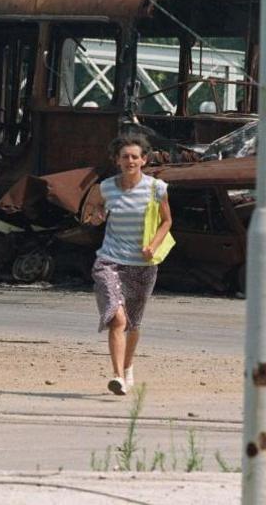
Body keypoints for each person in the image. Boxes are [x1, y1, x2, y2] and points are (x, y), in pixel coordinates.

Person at [91, 134, 173, 395]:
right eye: (125, 156)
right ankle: (117, 376)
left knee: (133, 323)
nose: (130, 161)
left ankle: (128, 367)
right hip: (109, 260)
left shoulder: (156, 188)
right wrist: (96, 216)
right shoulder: (106, 187)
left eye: (135, 156)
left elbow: (167, 221)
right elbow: (95, 211)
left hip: (142, 264)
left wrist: (154, 245)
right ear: (117, 160)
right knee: (117, 319)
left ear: (144, 160)